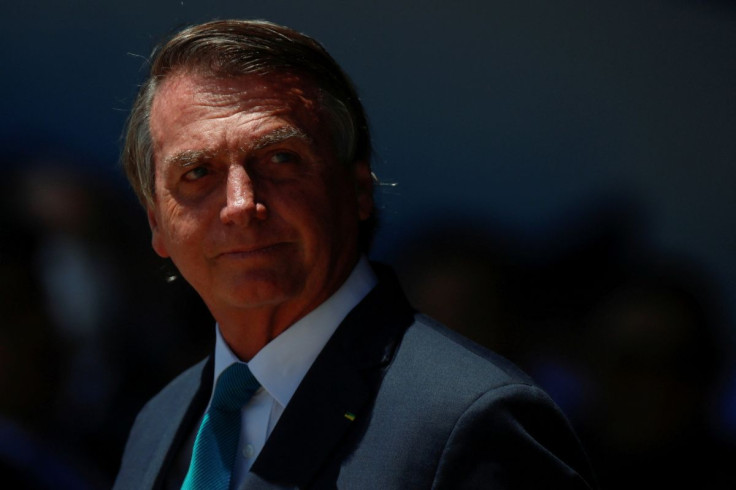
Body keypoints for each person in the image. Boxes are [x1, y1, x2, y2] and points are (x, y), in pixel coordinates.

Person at [113, 19, 596, 489]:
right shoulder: (158, 423)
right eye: (197, 172)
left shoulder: (470, 421)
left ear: (357, 187)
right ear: (157, 223)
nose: (241, 205)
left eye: (280, 158)